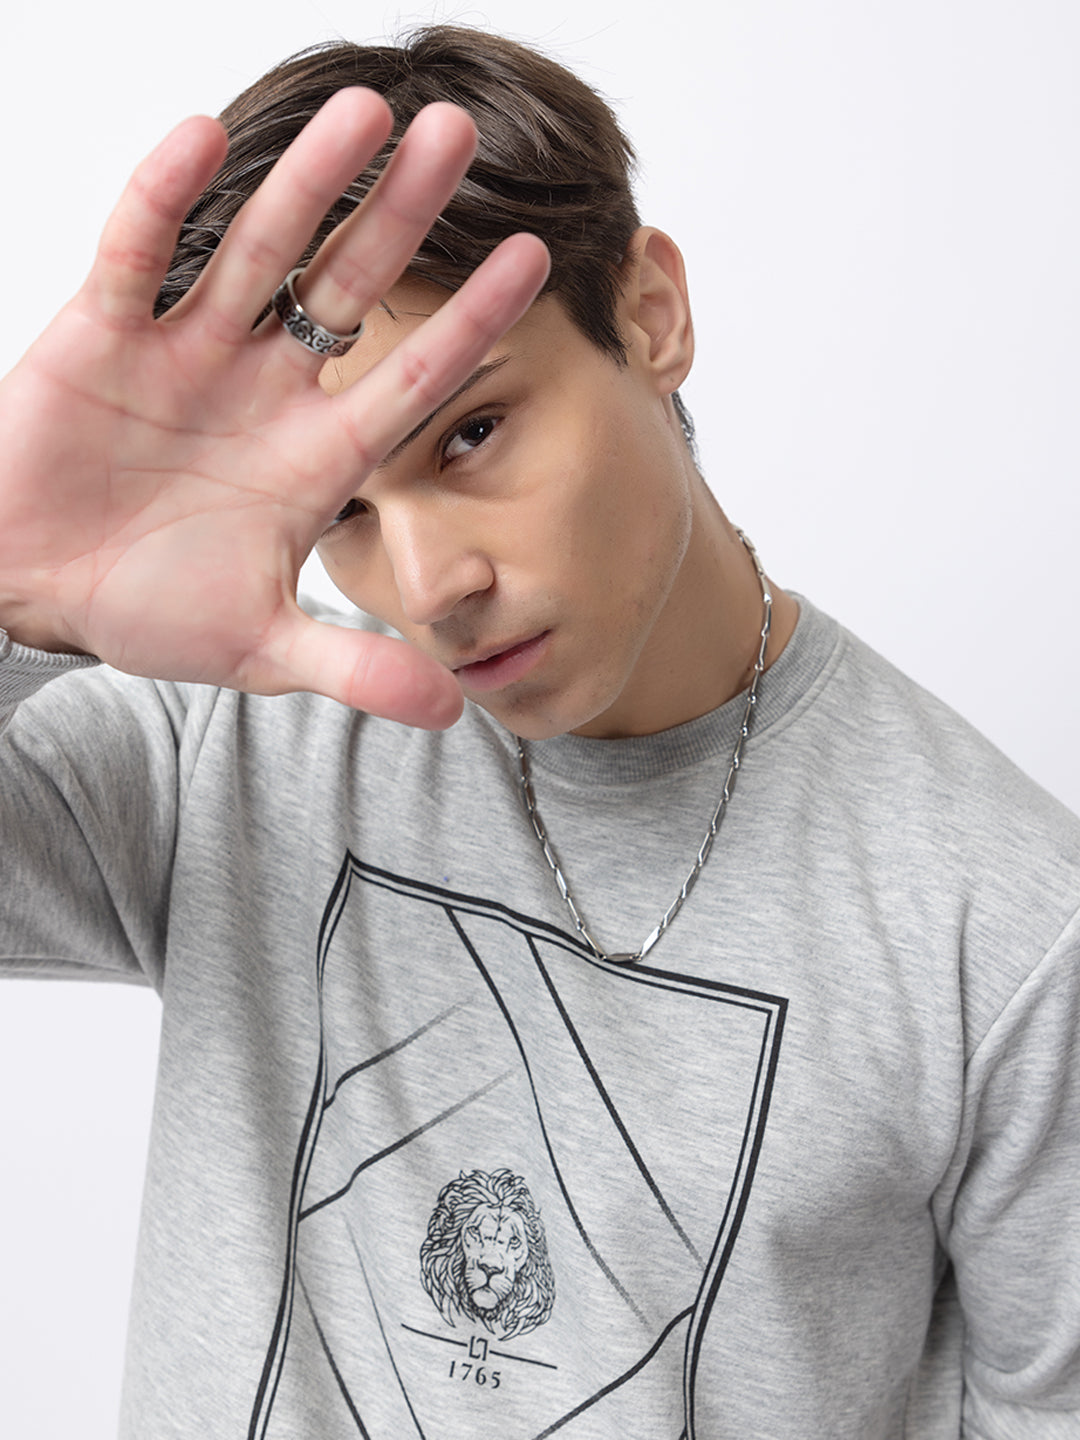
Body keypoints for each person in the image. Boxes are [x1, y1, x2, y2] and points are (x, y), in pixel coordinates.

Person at [1, 24, 1077, 1439]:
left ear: (651, 312)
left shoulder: (1006, 928)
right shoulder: (227, 739)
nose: (427, 585)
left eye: (472, 434)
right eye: (342, 512)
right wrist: (17, 595)